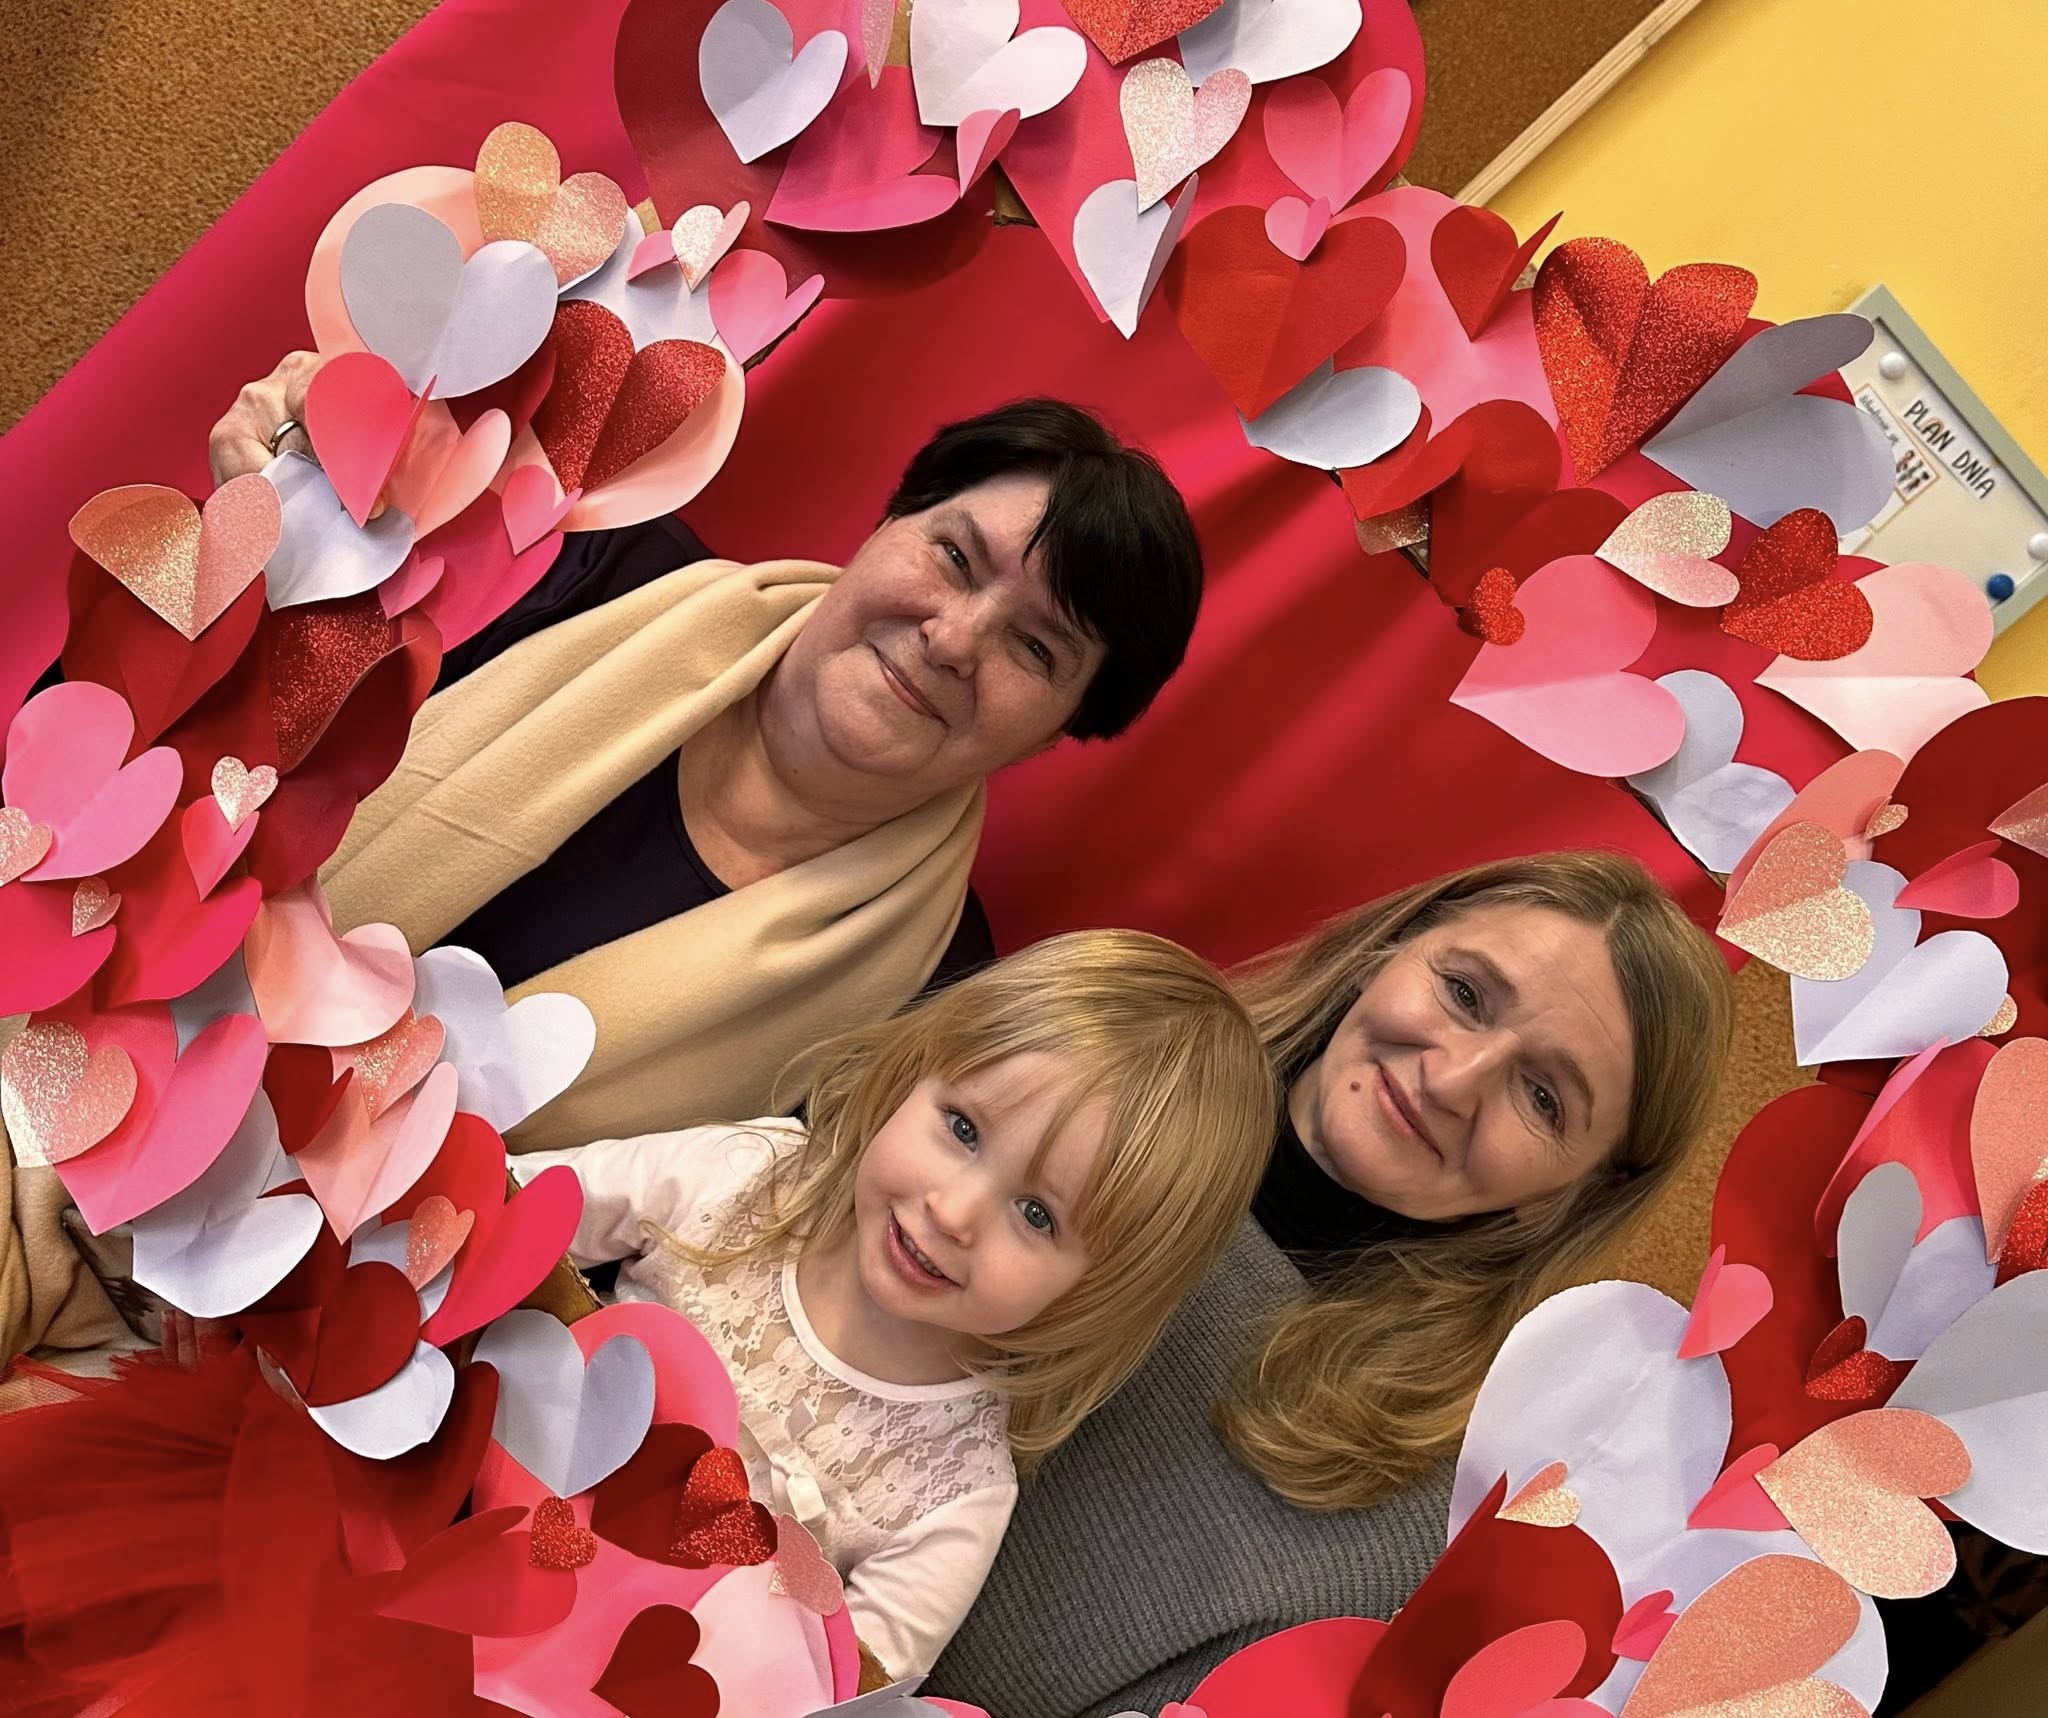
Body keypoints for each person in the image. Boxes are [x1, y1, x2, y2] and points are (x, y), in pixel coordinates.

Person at [0, 372, 1205, 1367]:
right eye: (953, 556)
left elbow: (680, 1297)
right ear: (887, 521)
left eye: (1034, 647)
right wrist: (260, 533)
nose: (952, 638)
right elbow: (107, 737)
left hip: (282, 1349)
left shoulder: (933, 1010)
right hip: (68, 1038)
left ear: (1061, 731)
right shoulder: (582, 561)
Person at [931, 851, 1736, 1715]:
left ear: (1576, 1196)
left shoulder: (1388, 1528)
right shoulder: (1062, 1050)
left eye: (1543, 1098)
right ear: (1387, 946)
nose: (1452, 1080)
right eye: (1464, 994)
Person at [490, 930, 1271, 1678]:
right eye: (962, 1128)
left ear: (1098, 1288)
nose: (953, 1212)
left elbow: (850, 1695)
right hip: (475, 1478)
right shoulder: (744, 1176)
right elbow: (506, 1211)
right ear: (911, 1076)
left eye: (1037, 1215)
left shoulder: (955, 1494)